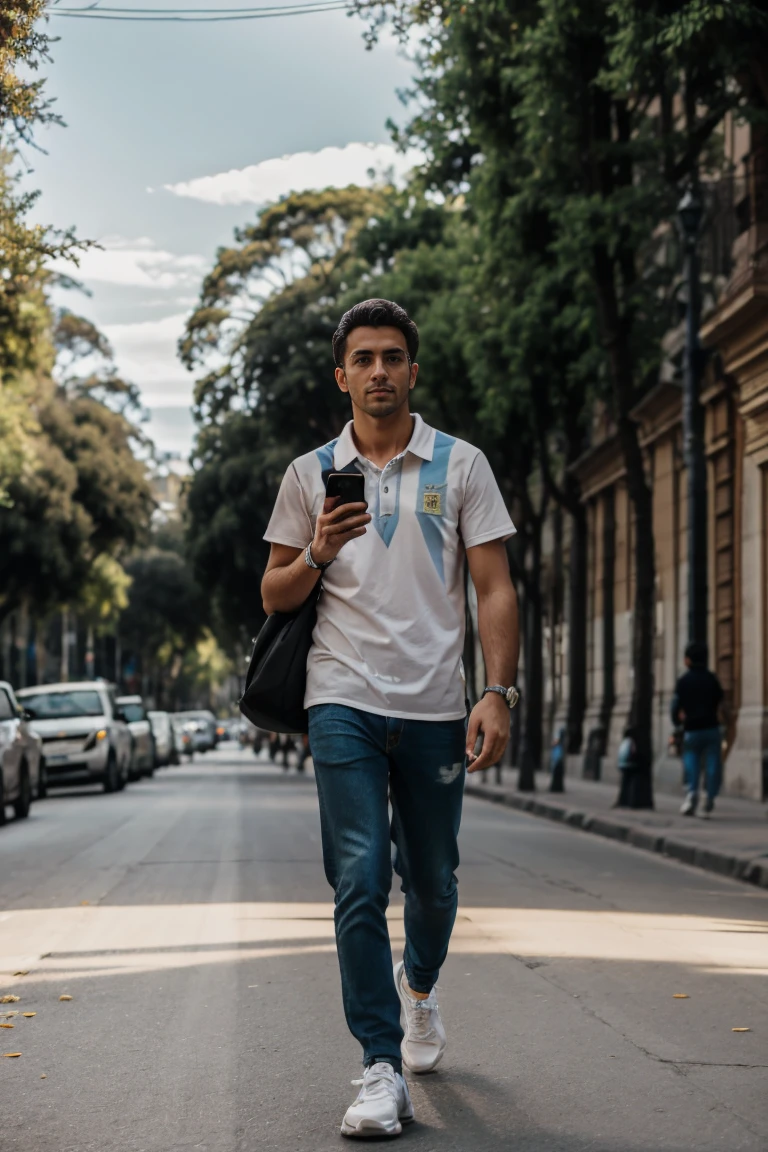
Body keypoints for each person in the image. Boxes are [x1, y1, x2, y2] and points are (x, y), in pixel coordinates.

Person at [261, 299, 519, 1138]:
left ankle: (420, 989)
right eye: (363, 358)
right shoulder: (310, 474)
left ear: (413, 370)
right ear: (341, 376)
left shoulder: (461, 464)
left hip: (438, 705)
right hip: (342, 697)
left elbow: (493, 586)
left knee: (435, 880)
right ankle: (378, 1066)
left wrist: (497, 691)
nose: (379, 370)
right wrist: (320, 550)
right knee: (360, 877)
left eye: (393, 357)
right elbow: (275, 593)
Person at [670, 641, 725, 818]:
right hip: (711, 727)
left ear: (688, 660)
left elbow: (675, 706)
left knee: (691, 760)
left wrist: (677, 723)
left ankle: (692, 791)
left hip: (691, 729)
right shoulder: (712, 679)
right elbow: (720, 702)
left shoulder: (683, 681)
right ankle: (709, 796)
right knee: (712, 762)